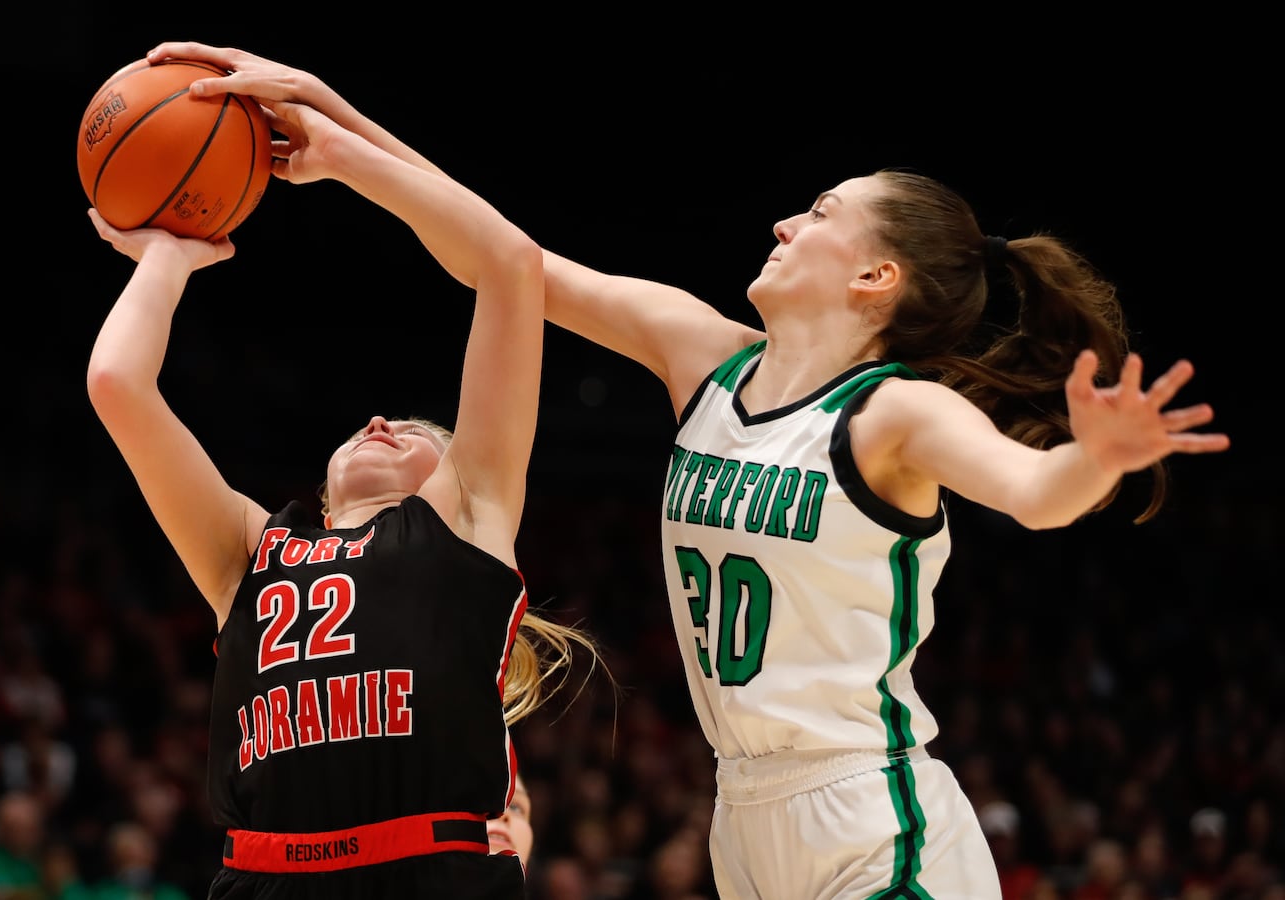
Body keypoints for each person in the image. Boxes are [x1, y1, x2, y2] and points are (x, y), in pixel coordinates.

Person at [141, 42, 1231, 899]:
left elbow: (1035, 498)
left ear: (873, 275)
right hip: (741, 816)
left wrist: (1095, 456)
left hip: (868, 806)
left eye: (817, 213)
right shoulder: (697, 354)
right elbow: (505, 258)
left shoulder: (895, 412)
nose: (783, 220)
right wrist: (331, 123)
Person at [83, 65, 595, 900]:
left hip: (427, 873)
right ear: (321, 492)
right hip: (260, 879)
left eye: (424, 435)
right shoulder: (252, 549)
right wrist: (168, 259)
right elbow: (117, 385)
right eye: (372, 426)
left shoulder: (465, 516)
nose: (384, 421)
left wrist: (346, 157)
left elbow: (509, 263)